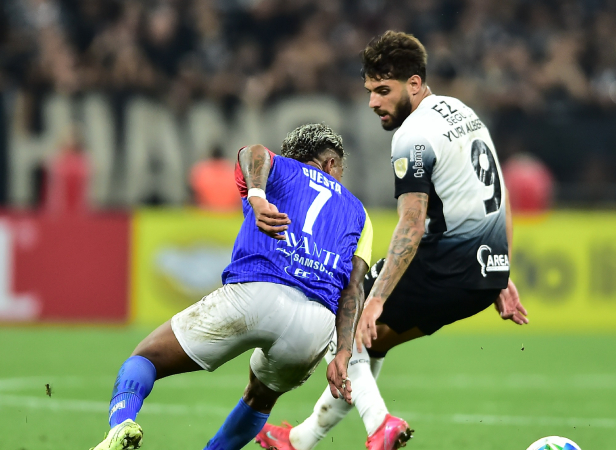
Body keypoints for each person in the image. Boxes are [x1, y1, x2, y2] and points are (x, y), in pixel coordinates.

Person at [257, 31, 528, 450]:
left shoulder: (412, 136)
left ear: (415, 84)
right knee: (371, 341)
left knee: (343, 318)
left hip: (445, 263)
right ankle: (298, 440)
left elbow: (412, 224)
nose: (373, 103)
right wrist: (500, 267)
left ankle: (379, 425)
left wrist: (376, 298)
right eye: (369, 91)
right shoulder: (464, 113)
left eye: (384, 91)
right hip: (480, 274)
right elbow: (499, 192)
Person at [90, 123, 373, 450]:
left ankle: (120, 423)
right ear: (330, 163)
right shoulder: (359, 213)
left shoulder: (279, 168)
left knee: (146, 358)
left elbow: (251, 152)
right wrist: (343, 352)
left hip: (255, 293)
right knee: (260, 398)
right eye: (341, 168)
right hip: (314, 326)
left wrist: (257, 196)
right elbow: (353, 289)